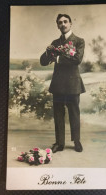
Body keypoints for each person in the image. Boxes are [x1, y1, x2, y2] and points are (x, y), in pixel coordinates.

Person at [40, 14, 85, 153]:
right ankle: (59, 143)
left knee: (74, 114)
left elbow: (77, 59)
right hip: (58, 84)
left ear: (71, 24)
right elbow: (43, 62)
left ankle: (76, 141)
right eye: (60, 22)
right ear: (57, 26)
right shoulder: (55, 42)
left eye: (66, 22)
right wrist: (48, 52)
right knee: (58, 115)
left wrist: (58, 58)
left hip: (73, 84)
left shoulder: (79, 41)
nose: (63, 24)